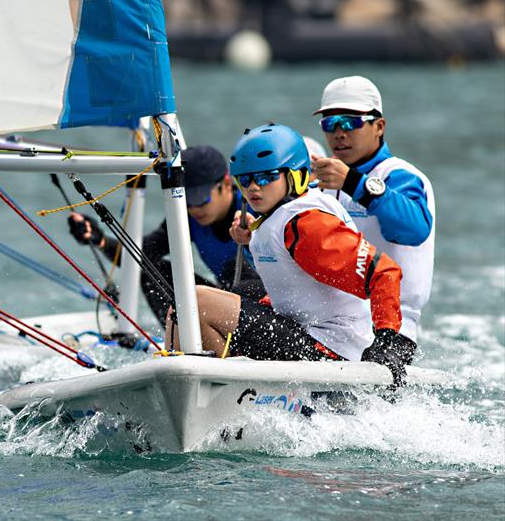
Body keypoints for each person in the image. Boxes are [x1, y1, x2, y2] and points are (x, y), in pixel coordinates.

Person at [174, 124, 413, 387]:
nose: (254, 188)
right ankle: (221, 397)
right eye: (246, 180)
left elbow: (384, 272)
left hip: (332, 353)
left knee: (195, 303)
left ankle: (216, 401)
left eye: (265, 177)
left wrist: (389, 342)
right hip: (304, 334)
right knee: (185, 305)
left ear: (294, 175)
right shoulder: (279, 216)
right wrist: (252, 237)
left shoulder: (307, 225)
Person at [310, 76, 434, 363]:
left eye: (351, 122)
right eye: (330, 124)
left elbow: (414, 229)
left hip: (389, 330)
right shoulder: (323, 183)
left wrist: (354, 183)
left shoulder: (401, 176)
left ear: (379, 126)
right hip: (330, 323)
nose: (339, 133)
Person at [68, 145, 262, 324]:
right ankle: (181, 339)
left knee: (233, 270)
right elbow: (142, 255)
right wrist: (100, 240)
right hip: (225, 309)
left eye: (200, 199)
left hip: (266, 311)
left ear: (227, 184)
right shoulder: (188, 218)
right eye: (187, 200)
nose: (194, 208)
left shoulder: (252, 209)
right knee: (152, 271)